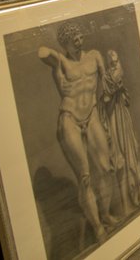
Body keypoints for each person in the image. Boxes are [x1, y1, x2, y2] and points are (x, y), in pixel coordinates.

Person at [38, 23, 116, 242]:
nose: (80, 43)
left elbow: (106, 84)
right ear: (65, 44)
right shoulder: (60, 63)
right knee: (85, 177)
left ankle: (105, 214)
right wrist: (55, 53)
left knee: (105, 168)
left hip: (92, 114)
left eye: (81, 38)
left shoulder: (94, 56)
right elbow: (41, 53)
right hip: (70, 119)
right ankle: (97, 227)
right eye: (74, 41)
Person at [100, 50, 140, 217]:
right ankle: (126, 204)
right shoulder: (106, 78)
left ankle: (138, 196)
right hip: (113, 119)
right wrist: (112, 88)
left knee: (131, 154)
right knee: (120, 159)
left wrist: (115, 87)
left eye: (116, 62)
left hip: (123, 118)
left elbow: (119, 86)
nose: (114, 65)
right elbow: (106, 98)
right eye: (111, 63)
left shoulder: (115, 77)